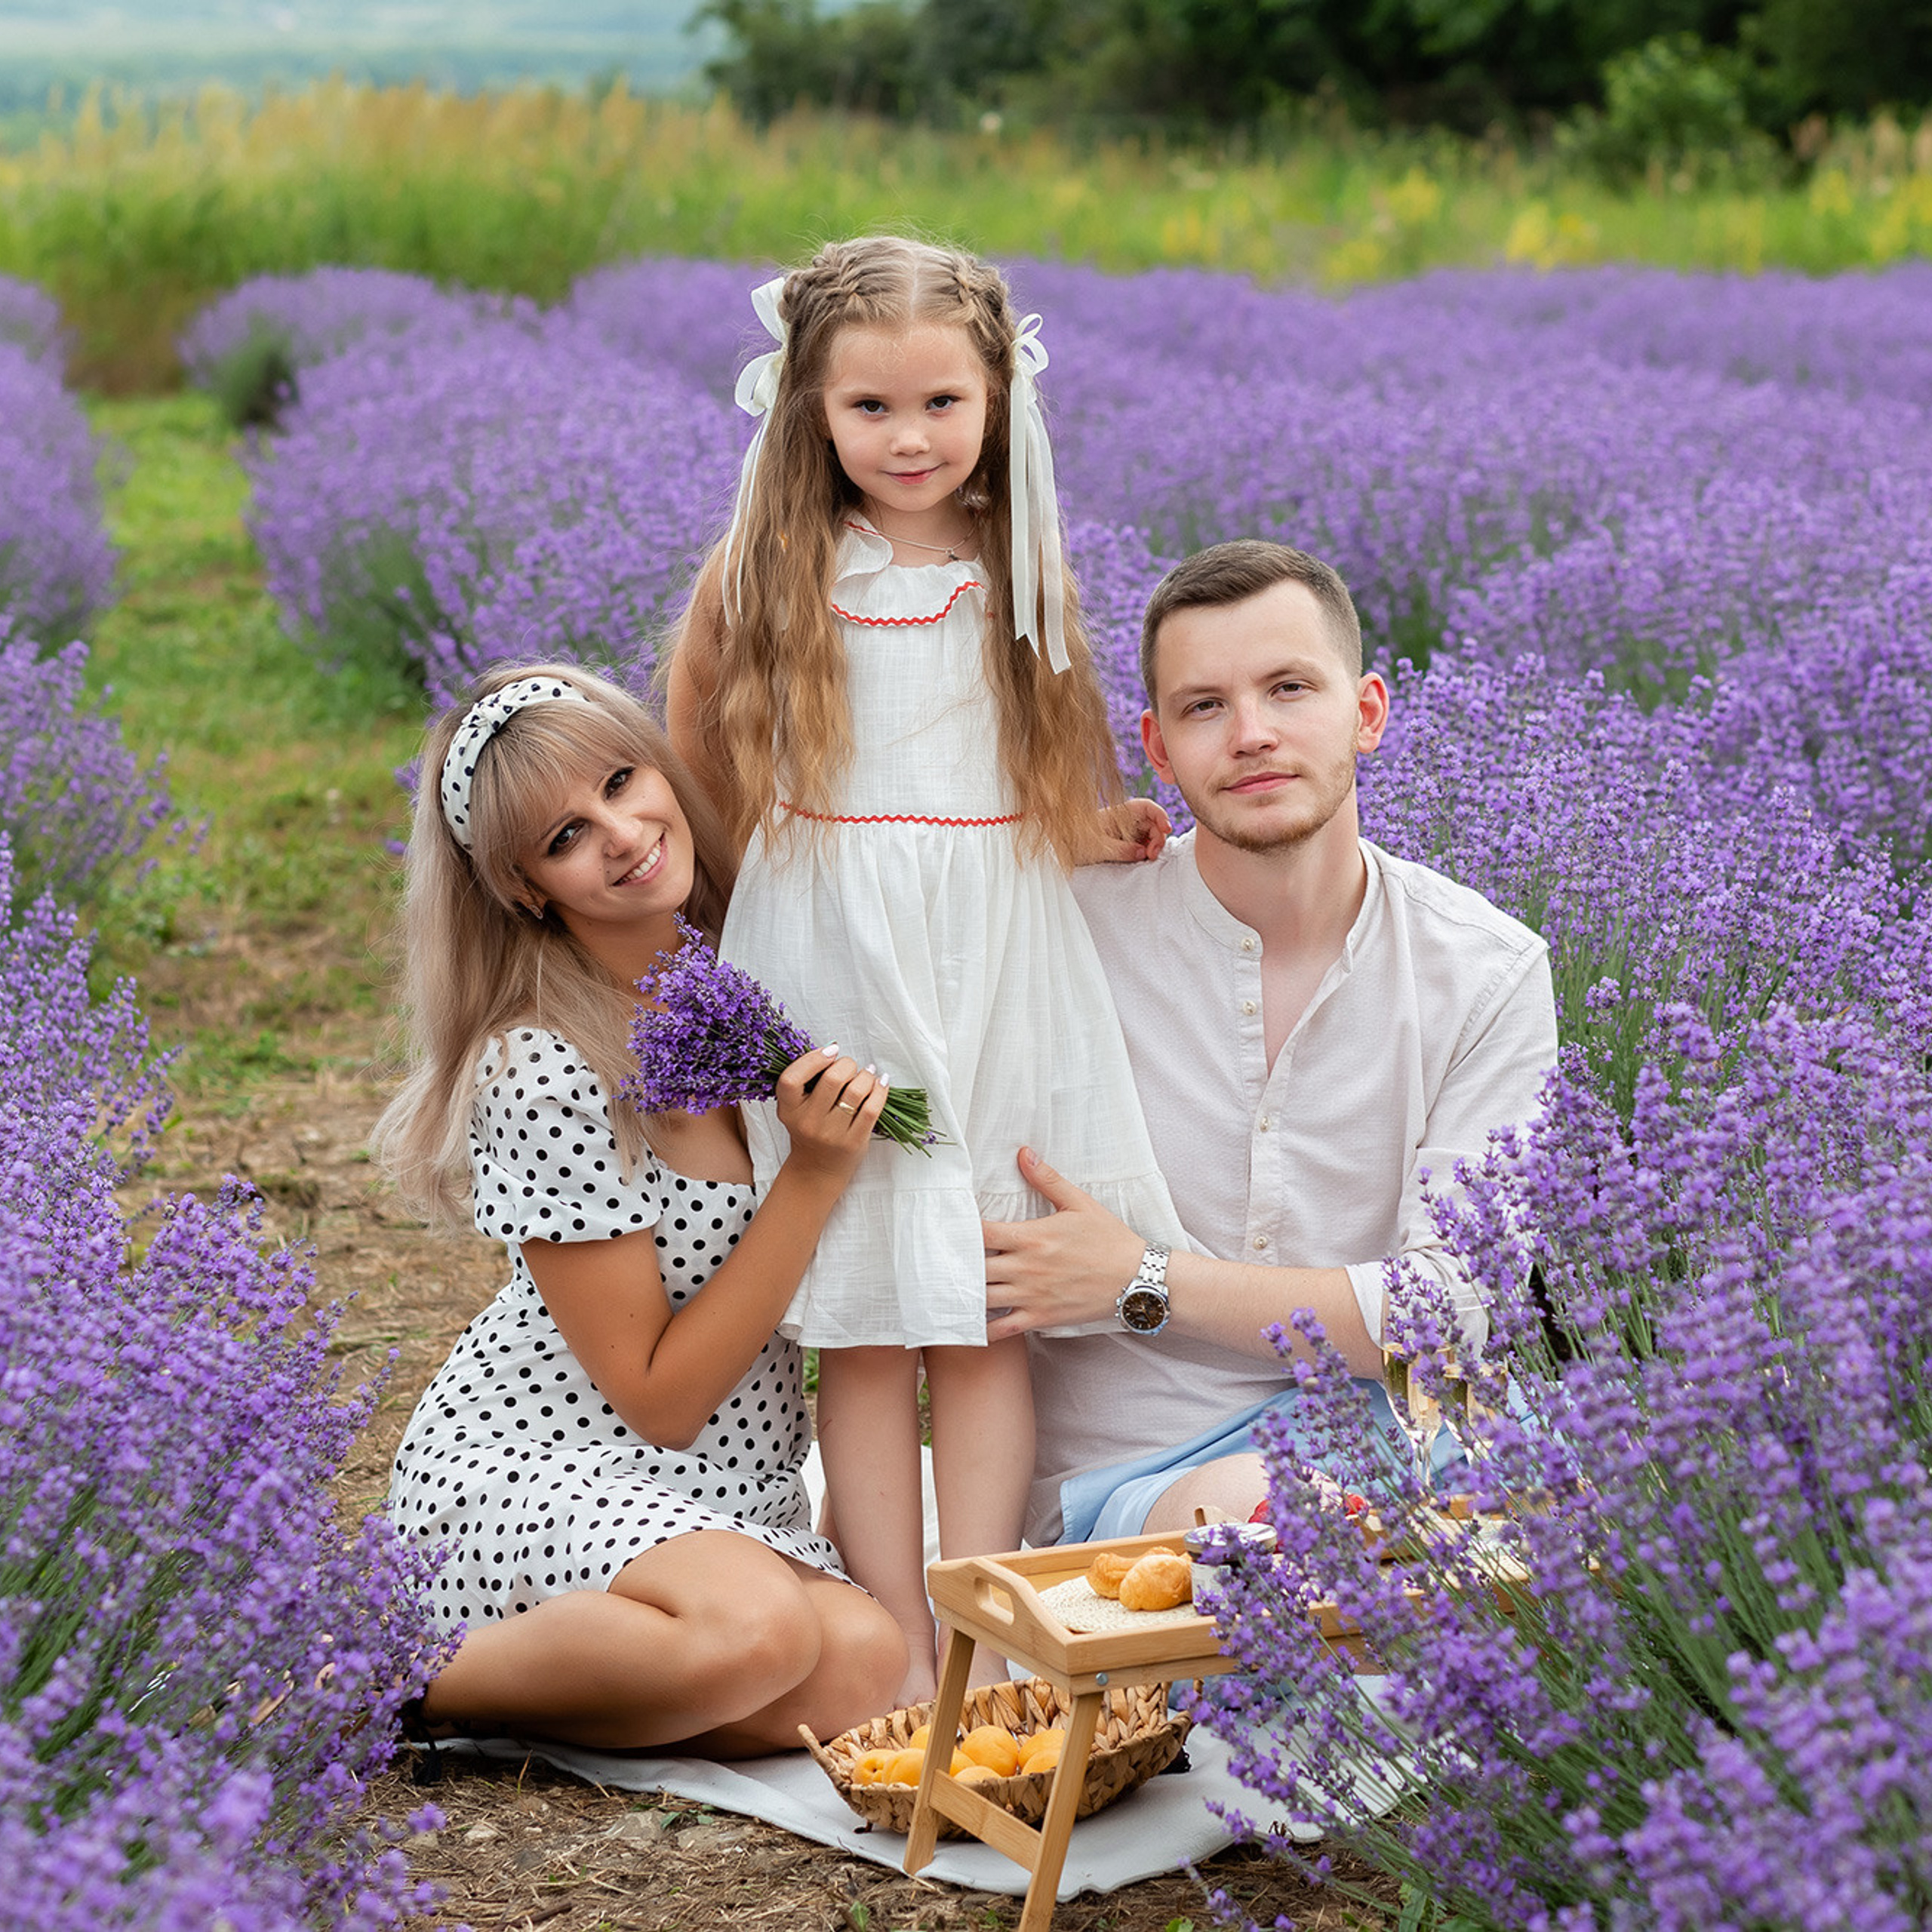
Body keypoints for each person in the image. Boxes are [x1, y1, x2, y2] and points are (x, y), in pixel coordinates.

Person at [665, 235, 1188, 1698]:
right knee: (864, 1309)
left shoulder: (1014, 560)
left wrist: (1083, 831)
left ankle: (991, 1612)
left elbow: (1016, 762)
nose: (908, 439)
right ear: (809, 415)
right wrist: (739, 917)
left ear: (997, 399)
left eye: (940, 405)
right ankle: (893, 1627)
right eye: (870, 410)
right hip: (829, 934)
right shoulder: (773, 566)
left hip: (992, 942)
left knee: (981, 1298)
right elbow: (703, 742)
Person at [374, 663, 907, 1753]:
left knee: (868, 1672)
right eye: (566, 837)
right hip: (536, 1464)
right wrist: (807, 1179)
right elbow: (658, 1400)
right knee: (754, 1633)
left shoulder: (746, 977)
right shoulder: (541, 1067)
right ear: (526, 887)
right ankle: (390, 1676)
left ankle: (582, 1683)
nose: (621, 833)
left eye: (623, 781)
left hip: (730, 1482)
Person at [981, 540, 1560, 1546]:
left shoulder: (1486, 969)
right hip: (1151, 1469)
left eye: (1289, 689)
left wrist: (1143, 1280)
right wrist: (1011, 844)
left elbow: (1457, 1310)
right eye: (1205, 707)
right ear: (1158, 752)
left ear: (1367, 712)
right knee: (1278, 1527)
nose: (1252, 735)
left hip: (1423, 1443)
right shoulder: (1064, 929)